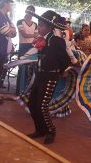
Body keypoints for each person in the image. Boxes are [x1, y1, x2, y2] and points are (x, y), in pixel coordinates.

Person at [25, 10, 70, 144]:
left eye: (42, 25)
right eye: (38, 24)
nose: (39, 27)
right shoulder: (42, 40)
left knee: (42, 105)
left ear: (49, 27)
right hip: (40, 75)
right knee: (32, 103)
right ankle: (40, 129)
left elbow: (65, 59)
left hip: (50, 75)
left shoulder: (56, 40)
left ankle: (51, 131)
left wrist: (62, 70)